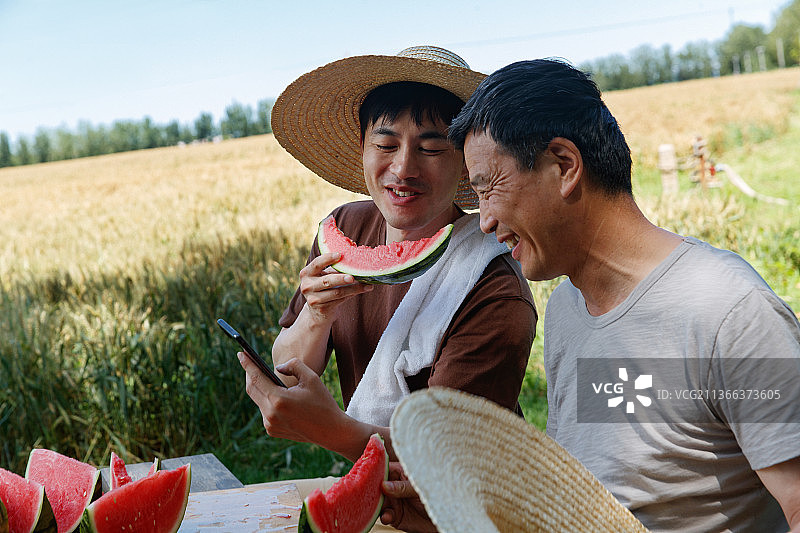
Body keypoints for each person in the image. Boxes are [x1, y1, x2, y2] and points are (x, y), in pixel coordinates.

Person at [446, 58, 800, 532]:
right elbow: (621, 480)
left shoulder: (730, 313)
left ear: (564, 166)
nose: (485, 220)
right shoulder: (569, 308)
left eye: (488, 187)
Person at [237, 46, 536, 531]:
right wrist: (316, 313)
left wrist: (330, 430)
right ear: (361, 148)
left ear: (466, 162)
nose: (403, 168)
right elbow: (290, 370)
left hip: (469, 510)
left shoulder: (495, 290)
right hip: (381, 496)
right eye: (385, 142)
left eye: (432, 147)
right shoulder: (344, 230)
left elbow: (451, 455)